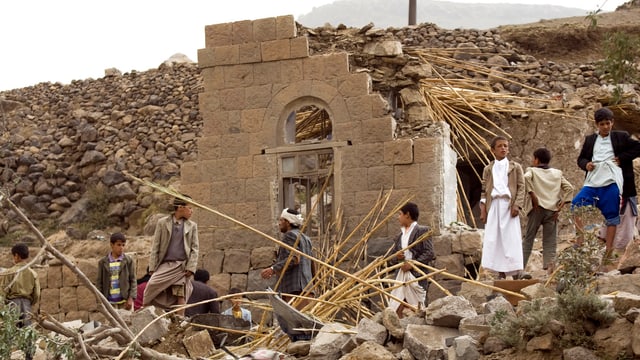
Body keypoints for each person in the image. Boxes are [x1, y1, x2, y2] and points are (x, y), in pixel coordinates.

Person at [572, 107, 640, 263]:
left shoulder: (620, 137)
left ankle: (609, 250)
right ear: (597, 125)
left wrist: (621, 158)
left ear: (612, 123)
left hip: (613, 181)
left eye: (608, 123)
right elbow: (581, 159)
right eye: (602, 124)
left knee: (611, 215)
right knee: (576, 204)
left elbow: (638, 147)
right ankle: (580, 239)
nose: (605, 127)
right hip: (593, 181)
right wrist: (586, 164)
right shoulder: (590, 140)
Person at [144, 196, 199, 317]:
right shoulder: (163, 223)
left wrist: (191, 267)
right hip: (165, 265)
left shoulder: (192, 226)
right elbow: (156, 247)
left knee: (180, 293)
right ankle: (146, 316)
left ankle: (180, 319)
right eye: (190, 208)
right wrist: (152, 267)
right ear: (180, 207)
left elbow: (195, 249)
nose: (192, 211)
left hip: (181, 267)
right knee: (151, 287)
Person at [480, 136, 525, 280]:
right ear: (493, 150)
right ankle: (500, 273)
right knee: (495, 238)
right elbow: (484, 190)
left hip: (508, 205)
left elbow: (521, 187)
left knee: (511, 238)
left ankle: (516, 271)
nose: (503, 148)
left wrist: (517, 205)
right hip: (494, 205)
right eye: (499, 146)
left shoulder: (515, 167)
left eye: (505, 146)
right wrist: (483, 210)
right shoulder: (488, 169)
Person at [522, 148, 574, 274]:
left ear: (536, 159)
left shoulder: (532, 171)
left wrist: (533, 195)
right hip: (552, 211)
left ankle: (520, 268)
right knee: (550, 241)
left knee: (528, 239)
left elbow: (525, 178)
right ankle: (549, 270)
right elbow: (570, 188)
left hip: (537, 209)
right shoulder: (557, 173)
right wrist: (560, 206)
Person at [388, 202, 435, 318]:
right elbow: (392, 258)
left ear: (407, 215)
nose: (398, 217)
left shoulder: (422, 231)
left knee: (416, 308)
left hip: (416, 275)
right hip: (401, 276)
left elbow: (429, 253)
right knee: (397, 305)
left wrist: (412, 264)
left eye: (400, 214)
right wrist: (398, 259)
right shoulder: (399, 236)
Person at [260, 208, 314, 306]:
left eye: (281, 220)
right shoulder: (306, 238)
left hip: (294, 289)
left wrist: (273, 269)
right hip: (308, 288)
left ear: (288, 222)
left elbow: (294, 259)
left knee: (295, 319)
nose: (279, 223)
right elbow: (312, 264)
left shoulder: (290, 235)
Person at [0, 243, 41, 360]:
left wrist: (4, 305)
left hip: (12, 304)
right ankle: (29, 357)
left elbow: (2, 292)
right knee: (27, 332)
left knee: (9, 332)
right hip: (27, 305)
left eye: (13, 256)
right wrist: (29, 302)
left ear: (17, 256)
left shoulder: (9, 272)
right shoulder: (33, 273)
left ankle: (6, 356)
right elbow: (37, 293)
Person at [97, 233, 137, 310]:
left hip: (125, 302)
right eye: (118, 245)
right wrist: (101, 300)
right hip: (109, 303)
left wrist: (131, 298)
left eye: (123, 245)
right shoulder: (103, 262)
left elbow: (133, 280)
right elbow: (99, 283)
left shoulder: (128, 261)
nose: (121, 248)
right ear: (112, 245)